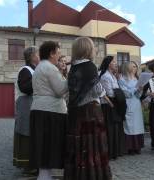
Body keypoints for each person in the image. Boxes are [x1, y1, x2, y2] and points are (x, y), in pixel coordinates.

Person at [64, 37, 112, 180]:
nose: (94, 49)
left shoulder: (73, 67)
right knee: (92, 146)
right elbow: (96, 90)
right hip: (90, 112)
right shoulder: (89, 66)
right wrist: (103, 91)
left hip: (75, 111)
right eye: (92, 47)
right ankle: (93, 176)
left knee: (79, 146)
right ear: (87, 49)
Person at [29, 41, 68, 180]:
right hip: (50, 111)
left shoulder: (41, 66)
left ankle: (44, 175)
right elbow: (60, 90)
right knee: (49, 144)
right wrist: (70, 79)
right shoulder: (50, 68)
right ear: (51, 53)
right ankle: (45, 177)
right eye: (58, 52)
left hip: (40, 109)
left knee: (43, 145)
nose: (59, 56)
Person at [13, 46, 40, 175]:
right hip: (25, 104)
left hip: (33, 104)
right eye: (38, 54)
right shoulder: (25, 70)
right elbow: (25, 88)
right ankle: (26, 165)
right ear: (31, 57)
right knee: (26, 132)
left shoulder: (35, 70)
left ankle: (33, 163)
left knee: (33, 132)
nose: (40, 56)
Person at [100, 56, 126, 160]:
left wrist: (119, 91)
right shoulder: (105, 76)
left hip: (115, 103)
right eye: (114, 62)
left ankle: (116, 151)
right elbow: (110, 92)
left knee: (116, 128)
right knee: (110, 129)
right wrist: (121, 93)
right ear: (108, 63)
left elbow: (116, 90)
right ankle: (110, 152)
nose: (116, 63)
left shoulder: (113, 76)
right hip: (108, 105)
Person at [118, 61, 145, 155]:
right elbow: (125, 92)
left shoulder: (136, 79)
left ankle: (137, 146)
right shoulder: (122, 79)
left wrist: (140, 90)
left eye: (136, 67)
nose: (135, 68)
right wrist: (135, 89)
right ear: (128, 67)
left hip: (136, 103)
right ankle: (130, 147)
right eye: (133, 66)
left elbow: (138, 95)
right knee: (129, 126)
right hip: (128, 103)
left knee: (137, 125)